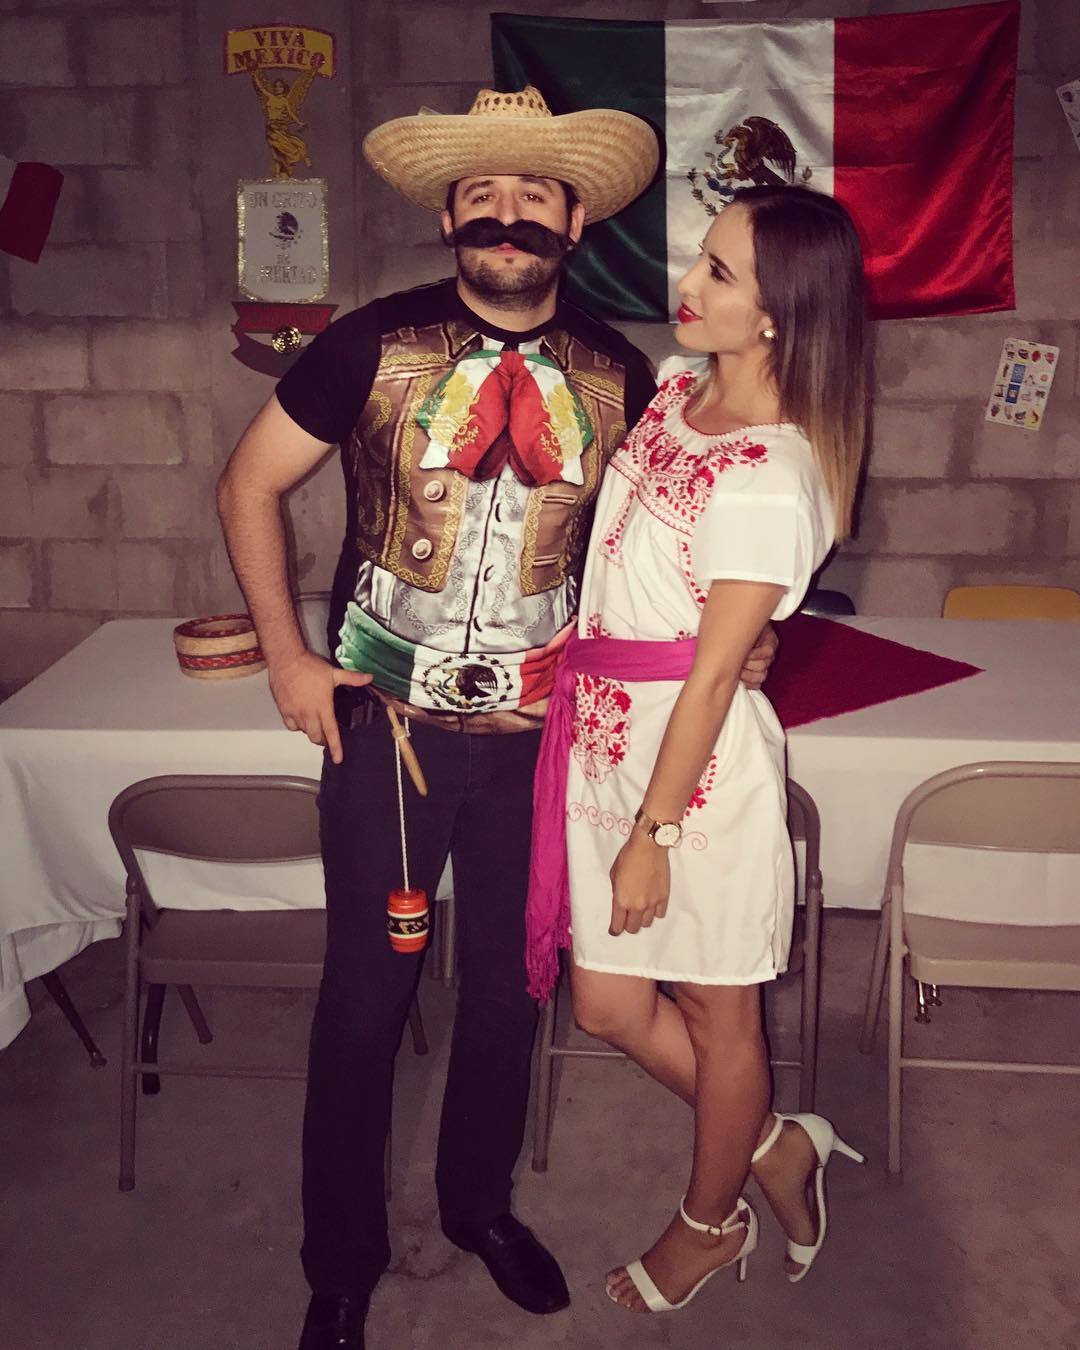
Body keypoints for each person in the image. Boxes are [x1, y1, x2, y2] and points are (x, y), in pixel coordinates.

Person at [217, 86, 776, 1350]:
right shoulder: (368, 343)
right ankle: (341, 1262)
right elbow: (246, 485)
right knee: (366, 999)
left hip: (545, 744)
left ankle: (478, 1207)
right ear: (449, 217)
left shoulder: (623, 375)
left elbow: (673, 539)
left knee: (509, 994)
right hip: (387, 734)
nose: (506, 214)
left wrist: (746, 633)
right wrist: (288, 658)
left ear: (574, 220)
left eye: (534, 195)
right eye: (481, 194)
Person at [527, 184, 870, 1315]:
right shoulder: (679, 390)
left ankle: (708, 1224)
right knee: (608, 1005)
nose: (688, 284)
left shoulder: (771, 474)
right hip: (606, 746)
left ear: (780, 314)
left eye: (720, 272)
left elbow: (717, 675)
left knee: (721, 1016)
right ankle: (775, 1144)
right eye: (701, 258)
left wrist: (654, 834)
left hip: (696, 779)